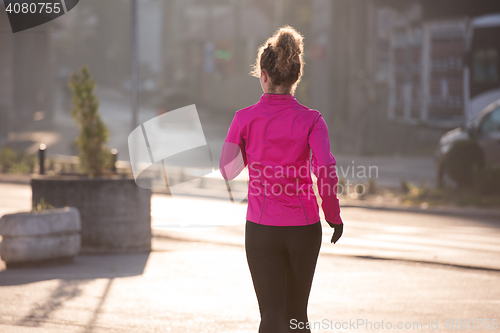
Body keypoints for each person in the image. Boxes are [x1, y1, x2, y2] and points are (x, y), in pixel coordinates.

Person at [219, 25, 343, 333]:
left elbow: (228, 170)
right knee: (297, 316)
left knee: (271, 316)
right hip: (304, 228)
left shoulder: (244, 119)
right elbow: (325, 168)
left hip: (261, 229)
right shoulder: (312, 120)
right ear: (295, 77)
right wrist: (333, 216)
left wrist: (251, 149)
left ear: (263, 74)